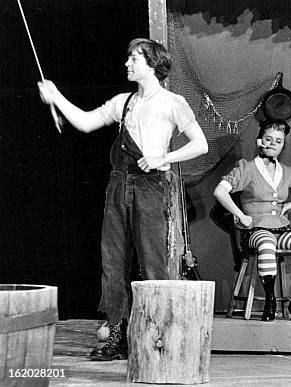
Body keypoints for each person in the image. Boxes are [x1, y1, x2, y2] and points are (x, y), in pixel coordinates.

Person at [38, 38, 208, 359]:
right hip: (119, 185)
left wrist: (162, 159)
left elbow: (200, 145)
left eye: (134, 59)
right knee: (112, 262)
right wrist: (56, 96)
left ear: (153, 64)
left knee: (153, 263)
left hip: (151, 187)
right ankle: (118, 336)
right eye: (128, 58)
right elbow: (87, 122)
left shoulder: (173, 102)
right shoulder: (123, 102)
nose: (127, 64)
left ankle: (161, 339)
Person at [213, 120, 291, 322]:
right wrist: (241, 215)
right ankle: (270, 300)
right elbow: (220, 191)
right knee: (267, 242)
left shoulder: (288, 172)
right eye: (269, 139)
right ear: (260, 141)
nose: (273, 144)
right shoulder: (247, 168)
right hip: (255, 232)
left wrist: (289, 206)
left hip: (282, 230)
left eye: (278, 141)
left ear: (282, 145)